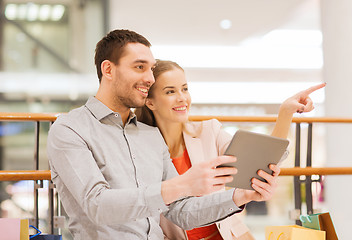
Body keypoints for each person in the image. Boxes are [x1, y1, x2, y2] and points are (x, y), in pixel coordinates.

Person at [47, 29, 282, 240]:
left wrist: (241, 196)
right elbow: (97, 205)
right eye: (140, 67)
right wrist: (181, 184)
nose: (150, 78)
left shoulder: (150, 135)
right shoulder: (69, 129)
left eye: (150, 68)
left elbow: (180, 212)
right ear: (108, 69)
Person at [135, 60, 326, 240]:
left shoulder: (209, 131)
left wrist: (285, 113)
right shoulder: (139, 149)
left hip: (226, 235)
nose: (182, 98)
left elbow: (261, 160)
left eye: (185, 89)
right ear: (150, 102)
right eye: (170, 92)